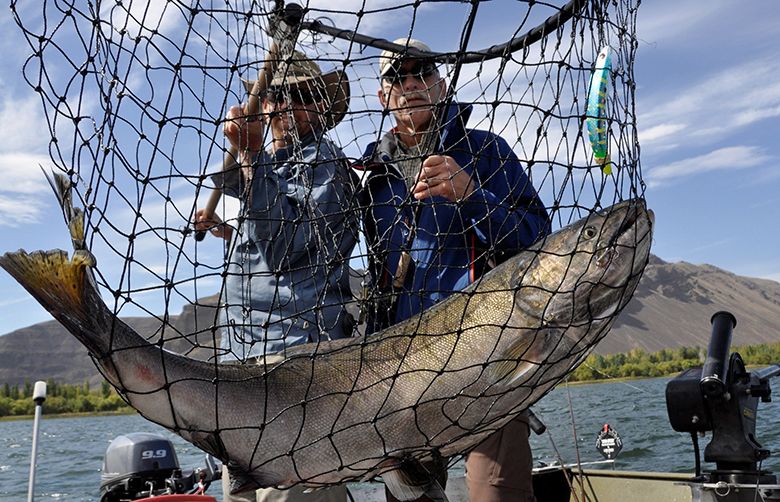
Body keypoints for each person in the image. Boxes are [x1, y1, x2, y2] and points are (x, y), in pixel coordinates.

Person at [354, 38, 550, 502]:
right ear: (383, 98)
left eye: (423, 73)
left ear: (440, 85)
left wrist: (470, 194)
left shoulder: (488, 152)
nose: (411, 85)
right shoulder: (369, 176)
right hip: (403, 373)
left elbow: (539, 240)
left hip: (489, 354)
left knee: (499, 494)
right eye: (397, 78)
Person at [194, 51, 357, 502]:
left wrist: (248, 153)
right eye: (275, 95)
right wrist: (227, 229)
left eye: (301, 95)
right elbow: (271, 255)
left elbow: (286, 248)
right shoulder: (270, 168)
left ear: (322, 107)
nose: (286, 105)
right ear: (263, 105)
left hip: (295, 379)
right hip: (242, 371)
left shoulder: (326, 164)